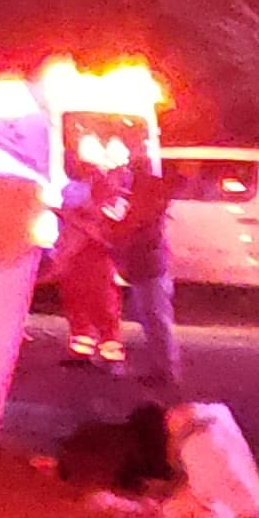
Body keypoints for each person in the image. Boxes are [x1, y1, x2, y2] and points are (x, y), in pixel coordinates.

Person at [111, 130, 180, 394]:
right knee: (151, 319)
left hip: (150, 266)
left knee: (157, 319)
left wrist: (119, 231)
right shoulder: (140, 194)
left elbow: (137, 225)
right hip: (144, 266)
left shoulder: (147, 195)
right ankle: (160, 369)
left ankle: (166, 372)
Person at [56, 133, 126, 363]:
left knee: (102, 301)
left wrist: (83, 218)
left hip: (97, 251)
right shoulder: (78, 186)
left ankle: (110, 350)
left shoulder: (112, 188)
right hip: (77, 252)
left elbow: (111, 216)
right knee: (77, 300)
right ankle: (83, 348)